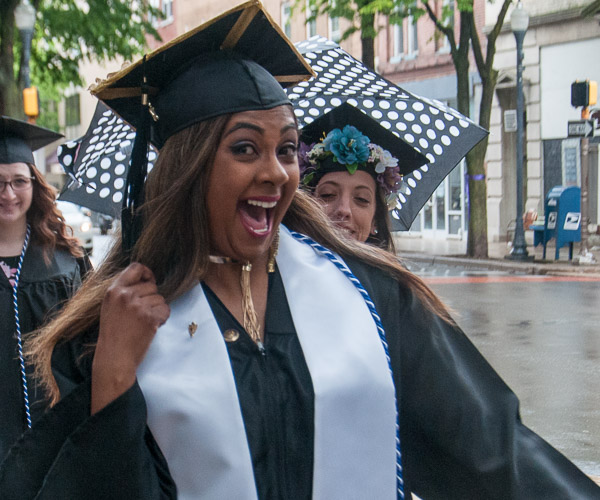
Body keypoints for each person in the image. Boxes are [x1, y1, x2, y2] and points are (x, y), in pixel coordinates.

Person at [1, 3, 599, 499]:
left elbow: (493, 451)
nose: (276, 173)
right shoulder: (118, 326)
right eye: (244, 149)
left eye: (287, 150)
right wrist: (112, 379)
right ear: (188, 169)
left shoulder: (366, 292)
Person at [0, 116, 91, 461]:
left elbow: (88, 347)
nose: (9, 194)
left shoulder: (66, 262)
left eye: (19, 181)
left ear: (35, 185)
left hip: (56, 434)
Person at [298, 102, 427, 252]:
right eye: (328, 195)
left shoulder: (387, 276)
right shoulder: (280, 272)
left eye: (361, 199)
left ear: (375, 222)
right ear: (307, 206)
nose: (344, 210)